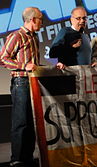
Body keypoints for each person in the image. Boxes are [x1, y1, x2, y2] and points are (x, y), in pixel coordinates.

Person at [0, 7, 43, 167]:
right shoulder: (16, 36)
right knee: (21, 122)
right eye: (40, 19)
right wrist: (23, 65)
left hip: (33, 83)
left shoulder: (34, 37)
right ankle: (17, 160)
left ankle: (28, 158)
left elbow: (34, 65)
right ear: (32, 19)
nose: (42, 22)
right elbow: (3, 58)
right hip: (21, 84)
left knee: (32, 122)